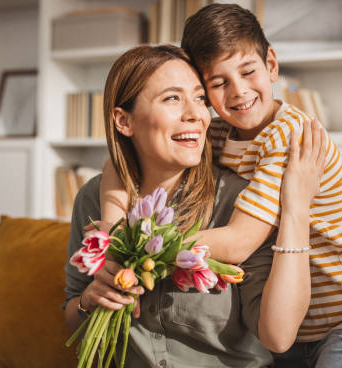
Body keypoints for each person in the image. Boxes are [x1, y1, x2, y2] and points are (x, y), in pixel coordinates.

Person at [100, 4, 342, 366]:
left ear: (272, 65)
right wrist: (112, 230)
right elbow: (119, 163)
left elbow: (239, 242)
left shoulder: (288, 135)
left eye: (248, 72)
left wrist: (143, 249)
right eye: (218, 83)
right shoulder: (216, 132)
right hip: (301, 320)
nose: (238, 92)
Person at [63, 44, 327, 366]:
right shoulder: (94, 198)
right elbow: (73, 310)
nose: (196, 114)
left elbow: (279, 336)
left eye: (201, 98)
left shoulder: (239, 203)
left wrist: (296, 209)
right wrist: (89, 302)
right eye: (172, 98)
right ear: (124, 121)